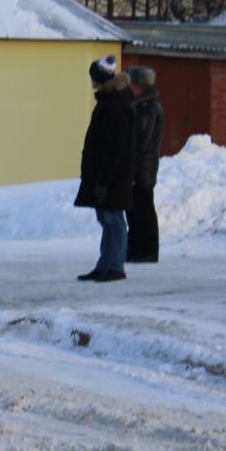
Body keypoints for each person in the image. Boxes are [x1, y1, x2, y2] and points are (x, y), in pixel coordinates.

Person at [75, 56, 136, 282]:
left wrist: (104, 179)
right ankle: (105, 264)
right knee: (107, 218)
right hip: (107, 174)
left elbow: (116, 146)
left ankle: (115, 265)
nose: (91, 81)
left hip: (112, 175)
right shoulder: (110, 101)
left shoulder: (115, 105)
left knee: (114, 220)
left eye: (93, 77)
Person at [126, 65, 165, 264]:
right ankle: (136, 250)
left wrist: (133, 172)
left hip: (143, 170)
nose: (130, 87)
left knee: (144, 211)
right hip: (140, 168)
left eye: (133, 83)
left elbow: (141, 144)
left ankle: (147, 251)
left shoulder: (148, 110)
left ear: (140, 86)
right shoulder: (140, 107)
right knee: (134, 211)